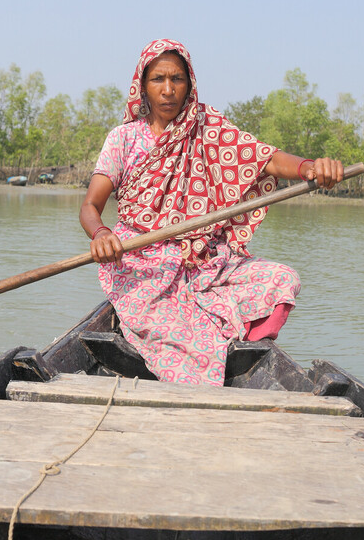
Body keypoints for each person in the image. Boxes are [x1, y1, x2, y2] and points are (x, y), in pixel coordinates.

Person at [80, 39, 346, 387]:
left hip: (205, 260)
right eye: (158, 79)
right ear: (142, 86)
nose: (168, 90)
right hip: (143, 262)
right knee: (180, 342)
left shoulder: (207, 128)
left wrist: (311, 167)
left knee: (283, 279)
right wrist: (101, 234)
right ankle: (200, 343)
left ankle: (219, 329)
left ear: (189, 84)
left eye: (177, 79)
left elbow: (265, 158)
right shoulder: (123, 139)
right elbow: (90, 206)